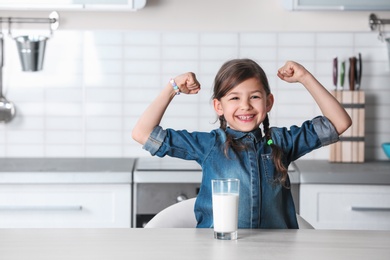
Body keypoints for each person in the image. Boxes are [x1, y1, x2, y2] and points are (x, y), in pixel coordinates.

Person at [132, 59, 352, 229]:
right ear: (219, 106)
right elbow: (143, 133)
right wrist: (172, 88)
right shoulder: (209, 145)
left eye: (254, 97)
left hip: (276, 253)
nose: (245, 106)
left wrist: (304, 77)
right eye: (234, 98)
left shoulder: (282, 142)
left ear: (268, 102)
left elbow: (339, 122)